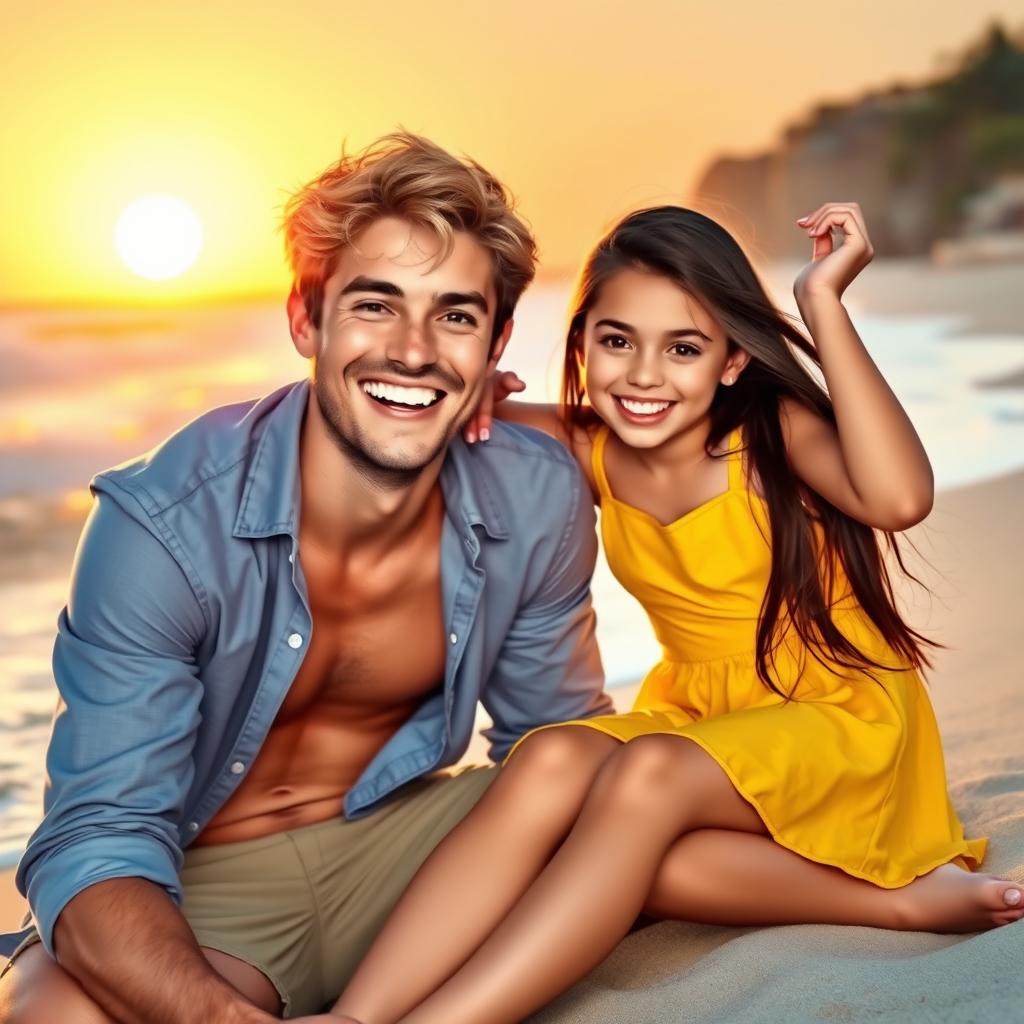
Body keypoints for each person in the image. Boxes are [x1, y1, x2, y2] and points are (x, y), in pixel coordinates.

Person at [330, 203, 1024, 1024]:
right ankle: (355, 1017)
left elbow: (901, 497)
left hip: (837, 719)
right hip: (703, 721)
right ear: (581, 340)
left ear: (733, 360)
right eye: (617, 340)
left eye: (684, 348)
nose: (644, 376)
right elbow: (425, 423)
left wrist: (823, 303)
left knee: (643, 782)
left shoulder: (771, 436)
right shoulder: (589, 447)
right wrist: (468, 377)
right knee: (557, 771)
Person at [0, 132, 614, 1024]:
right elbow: (100, 839)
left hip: (419, 857)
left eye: (454, 316)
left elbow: (558, 743)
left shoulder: (537, 491)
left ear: (495, 341)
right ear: (305, 319)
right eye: (375, 306)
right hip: (207, 891)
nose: (412, 350)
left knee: (606, 773)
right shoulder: (161, 527)